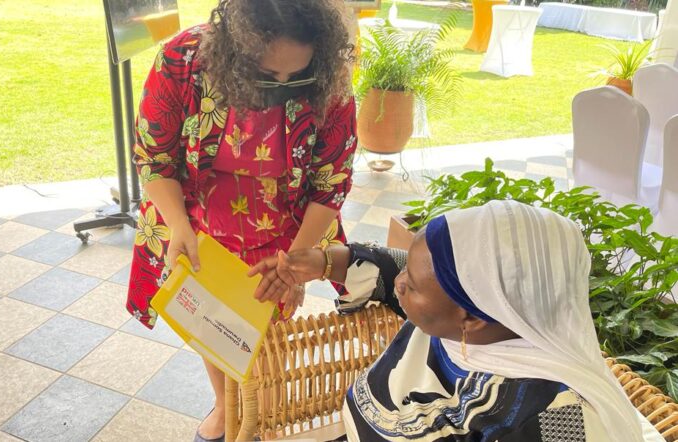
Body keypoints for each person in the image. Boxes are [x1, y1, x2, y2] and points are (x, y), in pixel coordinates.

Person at [125, 1, 357, 440]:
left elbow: (331, 181)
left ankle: (252, 416)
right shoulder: (183, 59)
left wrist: (296, 258)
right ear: (237, 50)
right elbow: (154, 158)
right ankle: (226, 408)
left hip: (285, 227)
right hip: (198, 221)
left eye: (297, 78)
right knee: (214, 321)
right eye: (268, 77)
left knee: (264, 337)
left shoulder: (329, 73)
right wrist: (177, 226)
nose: (283, 87)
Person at [250, 200, 664, 441]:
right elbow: (383, 266)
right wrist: (321, 262)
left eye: (411, 284)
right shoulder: (464, 315)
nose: (398, 283)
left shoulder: (557, 416)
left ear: (470, 316)